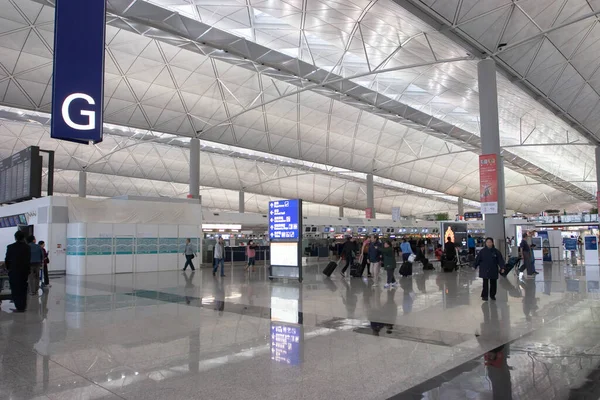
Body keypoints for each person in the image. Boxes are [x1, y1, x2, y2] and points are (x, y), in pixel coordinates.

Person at [4, 231, 31, 312]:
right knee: (23, 288)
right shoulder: (27, 247)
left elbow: (7, 260)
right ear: (23, 238)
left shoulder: (10, 247)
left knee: (15, 289)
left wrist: (9, 268)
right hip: (24, 271)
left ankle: (18, 306)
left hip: (14, 271)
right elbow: (28, 259)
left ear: (15, 238)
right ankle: (22, 306)